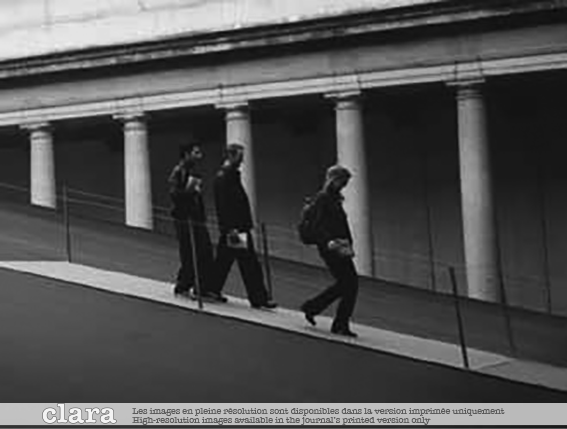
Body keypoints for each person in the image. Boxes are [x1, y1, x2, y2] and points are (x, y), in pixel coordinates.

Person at [209, 143, 277, 309]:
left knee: (225, 261)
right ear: (231, 156)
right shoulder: (225, 177)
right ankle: (259, 297)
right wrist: (230, 228)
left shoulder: (228, 175)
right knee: (249, 263)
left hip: (235, 228)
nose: (242, 161)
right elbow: (224, 205)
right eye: (240, 157)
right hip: (235, 229)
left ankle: (210, 289)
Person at [300, 165, 359, 337]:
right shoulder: (324, 198)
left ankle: (313, 307)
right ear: (335, 180)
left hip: (338, 246)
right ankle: (339, 323)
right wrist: (329, 241)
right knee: (350, 283)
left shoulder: (332, 198)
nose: (345, 185)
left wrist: (348, 244)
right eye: (343, 182)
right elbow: (317, 225)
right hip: (331, 247)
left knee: (346, 284)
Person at [168, 143, 225, 302]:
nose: (199, 156)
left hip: (196, 218)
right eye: (196, 153)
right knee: (193, 252)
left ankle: (193, 286)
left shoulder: (191, 171)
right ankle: (191, 286)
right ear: (186, 154)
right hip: (185, 219)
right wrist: (190, 191)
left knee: (201, 252)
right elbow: (174, 195)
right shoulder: (178, 171)